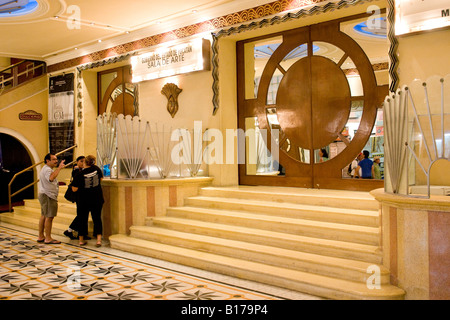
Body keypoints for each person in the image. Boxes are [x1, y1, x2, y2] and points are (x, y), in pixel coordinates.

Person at [71, 155, 104, 247]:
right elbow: (101, 179)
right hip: (97, 198)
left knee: (82, 218)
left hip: (83, 200)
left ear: (85, 162)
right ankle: (98, 240)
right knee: (97, 218)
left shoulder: (79, 174)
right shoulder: (97, 169)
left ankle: (81, 239)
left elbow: (74, 189)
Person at [37, 153, 65, 244]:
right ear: (47, 161)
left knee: (44, 216)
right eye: (53, 159)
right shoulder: (47, 170)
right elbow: (51, 178)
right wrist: (59, 168)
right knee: (49, 217)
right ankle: (48, 238)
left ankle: (41, 236)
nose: (56, 161)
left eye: (56, 159)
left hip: (45, 194)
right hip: (48, 195)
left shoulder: (46, 169)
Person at [63, 156, 90, 240]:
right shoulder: (76, 171)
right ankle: (70, 230)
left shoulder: (82, 170)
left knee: (84, 215)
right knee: (82, 215)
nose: (83, 163)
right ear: (77, 162)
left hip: (84, 196)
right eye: (81, 161)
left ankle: (81, 233)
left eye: (84, 161)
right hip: (80, 196)